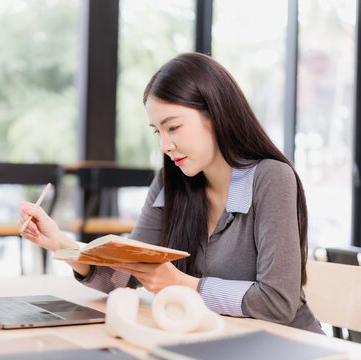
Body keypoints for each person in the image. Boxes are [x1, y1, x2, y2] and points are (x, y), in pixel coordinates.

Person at [19, 52, 323, 334]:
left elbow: (278, 302)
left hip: (291, 346)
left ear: (215, 114)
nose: (164, 145)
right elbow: (125, 276)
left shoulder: (271, 178)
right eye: (157, 131)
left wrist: (181, 283)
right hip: (216, 341)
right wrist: (61, 243)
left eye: (173, 127)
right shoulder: (171, 181)